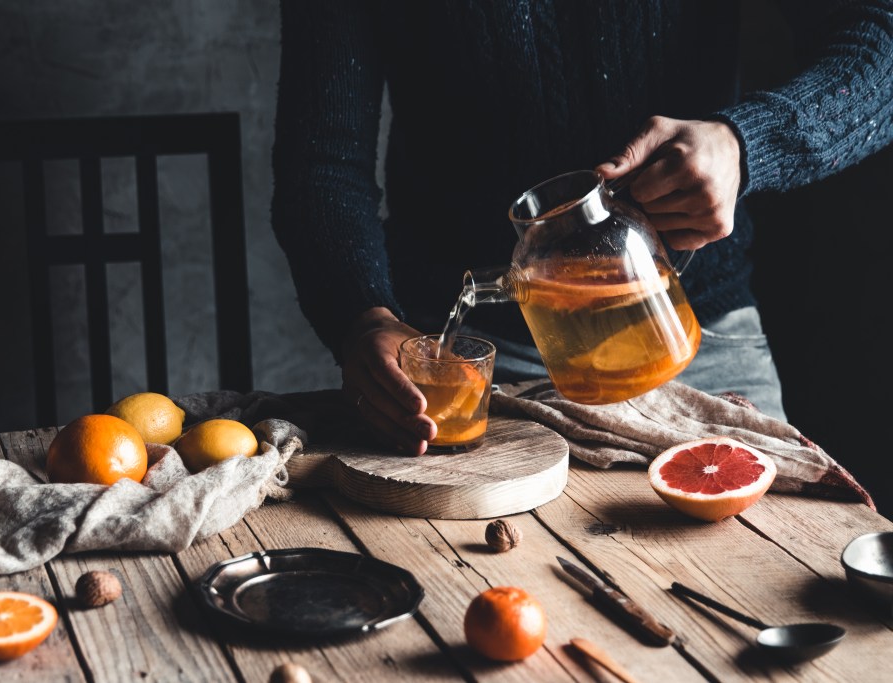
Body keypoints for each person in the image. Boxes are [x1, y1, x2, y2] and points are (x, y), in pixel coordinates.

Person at [270, 1, 893, 455]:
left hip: (701, 346)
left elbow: (881, 34)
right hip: (468, 373)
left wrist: (745, 143)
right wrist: (363, 318)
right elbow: (321, 160)